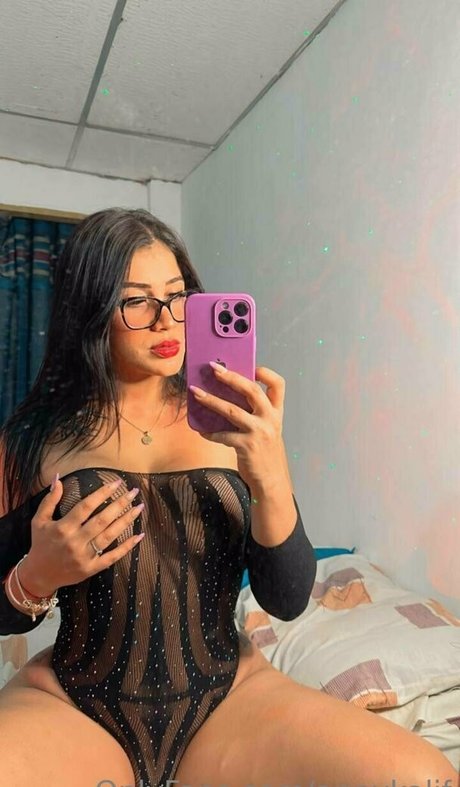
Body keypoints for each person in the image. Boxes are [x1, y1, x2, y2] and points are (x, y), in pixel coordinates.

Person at [0, 208, 457, 787]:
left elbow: (286, 599)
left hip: (226, 702)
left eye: (177, 296)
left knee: (424, 776)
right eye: (136, 301)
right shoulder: (33, 440)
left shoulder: (234, 420)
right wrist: (37, 576)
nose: (166, 320)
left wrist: (270, 471)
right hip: (72, 704)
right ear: (88, 309)